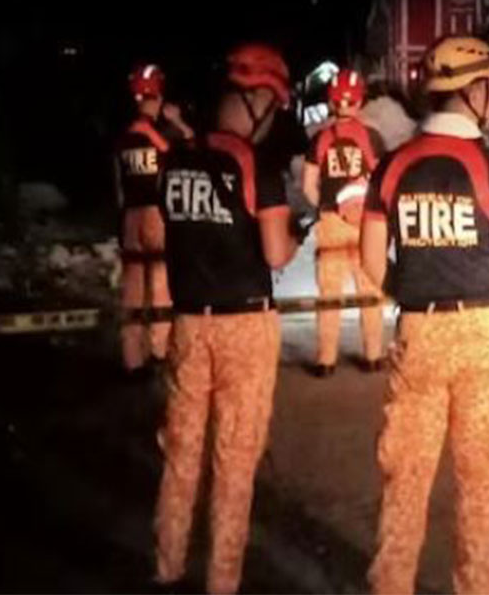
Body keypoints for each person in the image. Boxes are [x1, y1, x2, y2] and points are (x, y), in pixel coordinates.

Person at [361, 35, 489, 595]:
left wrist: (413, 293)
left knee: (406, 480)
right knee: (479, 482)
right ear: (475, 91)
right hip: (486, 336)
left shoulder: (393, 167)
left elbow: (372, 262)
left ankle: (391, 585)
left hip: (419, 333)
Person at [152, 43, 303, 595]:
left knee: (181, 452)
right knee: (235, 463)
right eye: (274, 103)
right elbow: (275, 254)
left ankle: (167, 567)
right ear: (257, 96)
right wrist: (294, 231)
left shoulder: (176, 159)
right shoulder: (255, 166)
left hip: (189, 323)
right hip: (244, 323)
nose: (273, 116)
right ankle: (222, 582)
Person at [302, 67, 387, 376]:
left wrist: (325, 207)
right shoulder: (372, 137)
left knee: (329, 294)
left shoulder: (321, 139)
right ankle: (374, 356)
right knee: (370, 290)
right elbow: (382, 180)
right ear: (359, 102)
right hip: (364, 222)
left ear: (331, 101)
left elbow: (307, 185)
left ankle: (326, 360)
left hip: (331, 222)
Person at [115, 63, 194, 376]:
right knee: (161, 284)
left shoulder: (123, 138)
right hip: (157, 215)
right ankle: (160, 351)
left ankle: (132, 359)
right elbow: (191, 148)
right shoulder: (162, 136)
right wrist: (178, 123)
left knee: (132, 290)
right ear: (158, 96)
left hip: (130, 216)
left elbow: (118, 186)